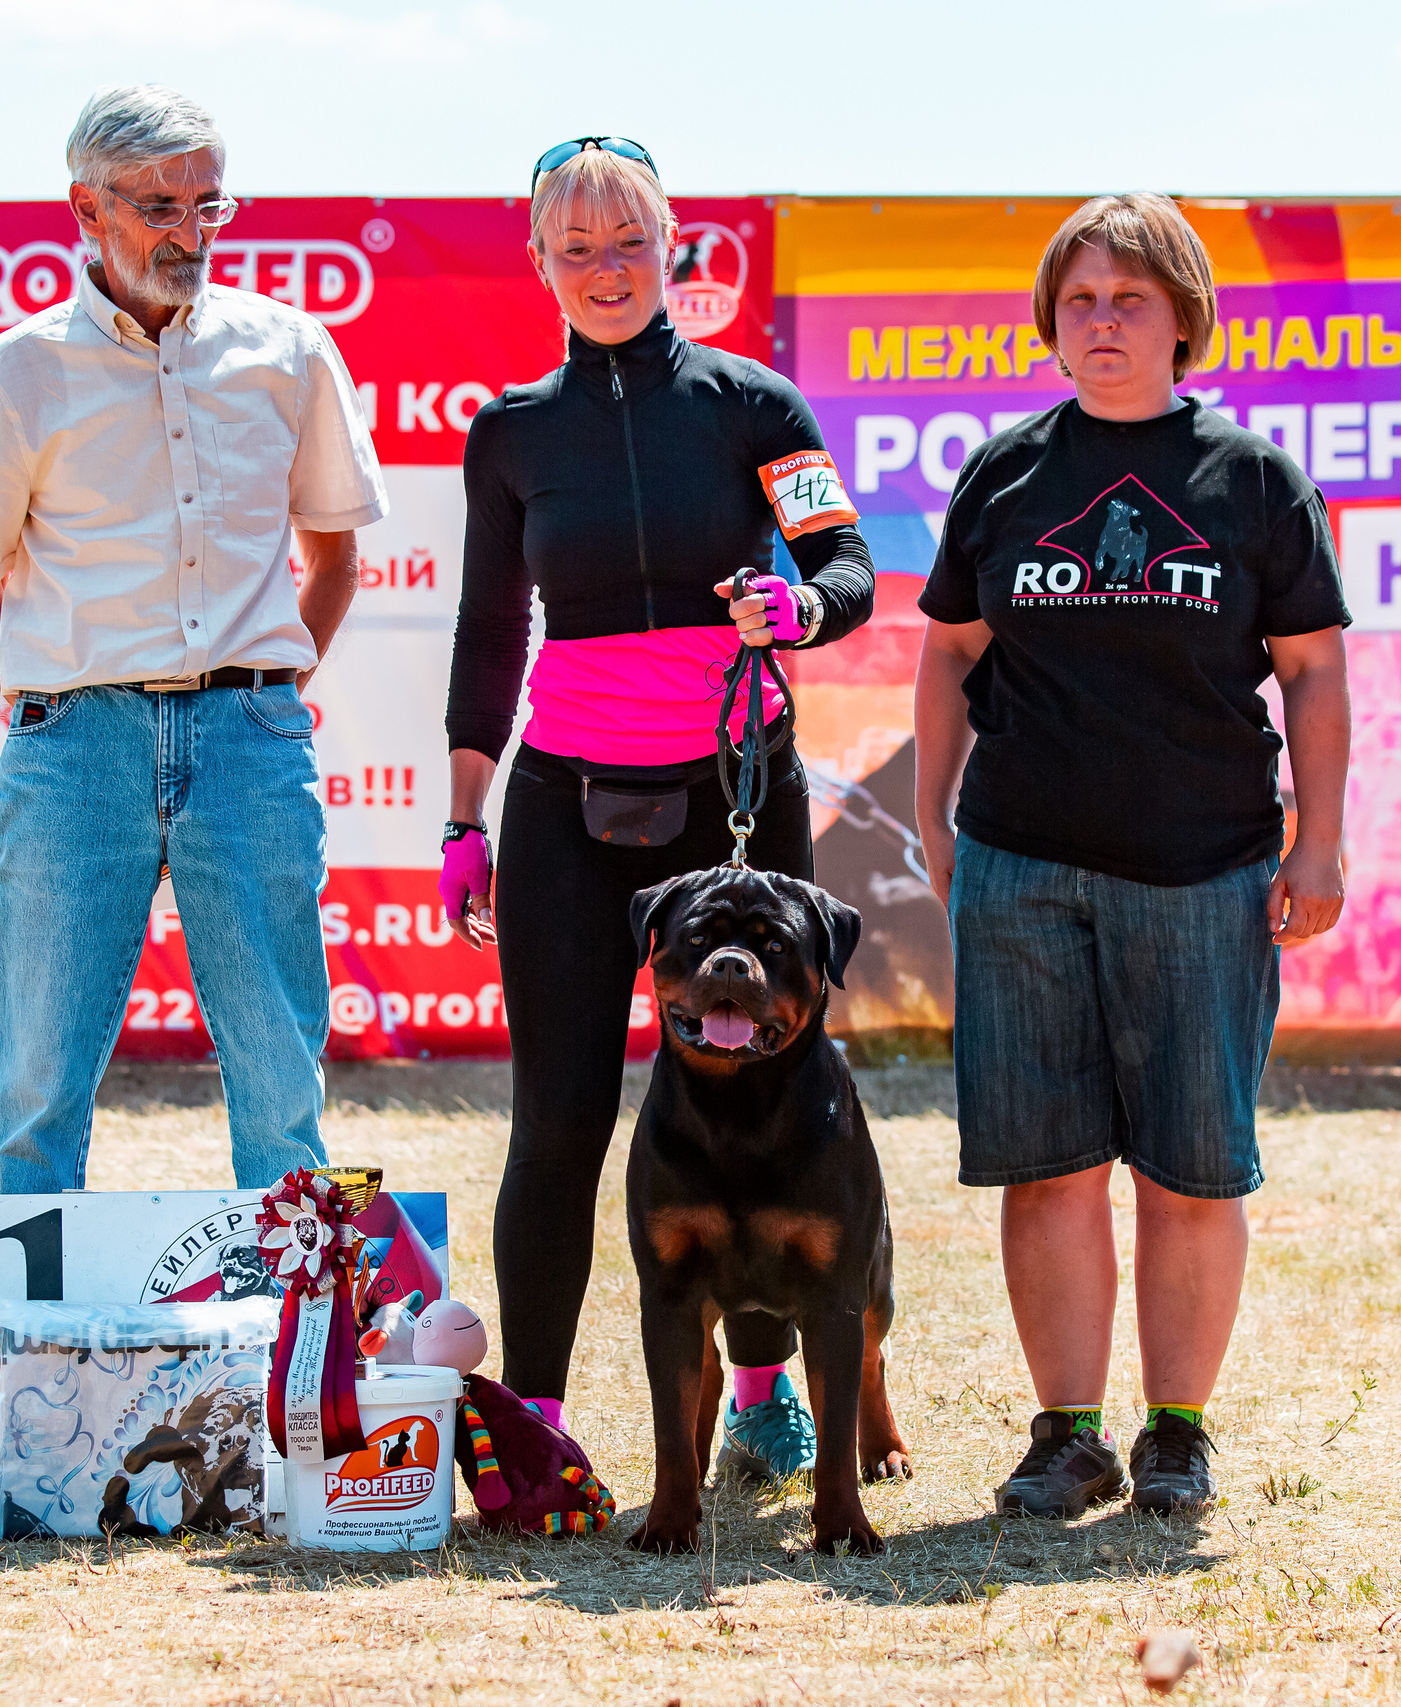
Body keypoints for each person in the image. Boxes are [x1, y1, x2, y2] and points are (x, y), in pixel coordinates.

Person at [438, 140, 875, 1479]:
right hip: (566, 807)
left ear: (671, 244)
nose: (606, 269)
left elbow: (846, 564)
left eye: (628, 242)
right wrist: (464, 818)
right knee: (559, 1120)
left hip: (734, 797)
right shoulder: (511, 430)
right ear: (540, 262)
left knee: (768, 1102)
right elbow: (488, 630)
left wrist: (798, 607)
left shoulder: (756, 406)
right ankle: (536, 1425)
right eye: (576, 247)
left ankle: (758, 1392)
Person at [912, 194, 1351, 1518]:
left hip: (1204, 870)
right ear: (1051, 322)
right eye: (1081, 300)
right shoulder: (1003, 473)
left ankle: (1176, 1434)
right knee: (1046, 1167)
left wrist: (1319, 842)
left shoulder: (1252, 479)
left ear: (1181, 320)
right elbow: (948, 650)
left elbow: (1314, 670)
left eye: (1130, 299)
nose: (1102, 322)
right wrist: (933, 821)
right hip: (1021, 866)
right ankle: (1066, 1435)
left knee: (1189, 1169)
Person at [0, 86, 388, 1193]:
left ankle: (296, 1308)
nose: (190, 232)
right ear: (85, 209)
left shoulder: (290, 351)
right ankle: (10, 1308)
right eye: (159, 207)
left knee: (282, 1078)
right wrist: (59, 704)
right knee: (36, 1079)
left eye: (209, 204)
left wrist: (264, 695)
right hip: (73, 748)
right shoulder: (18, 372)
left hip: (250, 740)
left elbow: (334, 560)